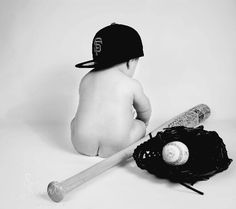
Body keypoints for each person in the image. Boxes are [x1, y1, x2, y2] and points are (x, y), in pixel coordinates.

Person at [71, 23, 151, 157]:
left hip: (81, 143)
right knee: (140, 126)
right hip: (118, 145)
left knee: (75, 121)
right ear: (130, 62)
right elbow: (145, 110)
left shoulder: (86, 78)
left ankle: (89, 144)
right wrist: (141, 122)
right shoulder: (131, 84)